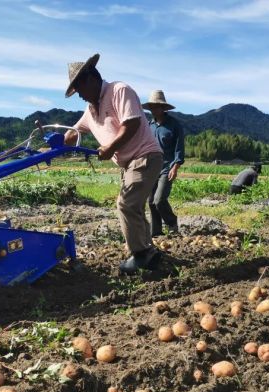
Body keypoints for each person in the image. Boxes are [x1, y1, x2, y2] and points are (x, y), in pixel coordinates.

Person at [63, 53, 164, 274]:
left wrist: (110, 148)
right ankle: (149, 253)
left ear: (90, 79)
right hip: (128, 163)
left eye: (79, 89)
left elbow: (133, 123)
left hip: (145, 156)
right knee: (134, 207)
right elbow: (73, 132)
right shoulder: (90, 109)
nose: (79, 95)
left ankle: (141, 254)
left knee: (126, 204)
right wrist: (59, 143)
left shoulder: (119, 90)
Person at [142, 90, 184, 236]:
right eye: (152, 107)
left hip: (167, 167)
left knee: (159, 200)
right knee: (151, 202)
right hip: (151, 167)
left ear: (163, 108)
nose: (154, 110)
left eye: (156, 107)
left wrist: (176, 166)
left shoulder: (174, 125)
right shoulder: (149, 125)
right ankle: (156, 232)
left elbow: (179, 148)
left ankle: (172, 223)